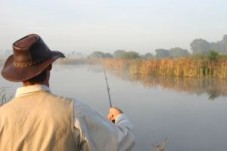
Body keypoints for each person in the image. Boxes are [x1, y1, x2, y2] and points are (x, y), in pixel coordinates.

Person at [0, 34, 135, 151]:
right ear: (50, 66)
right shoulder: (74, 111)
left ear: (18, 73)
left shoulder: (2, 114)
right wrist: (119, 117)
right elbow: (121, 142)